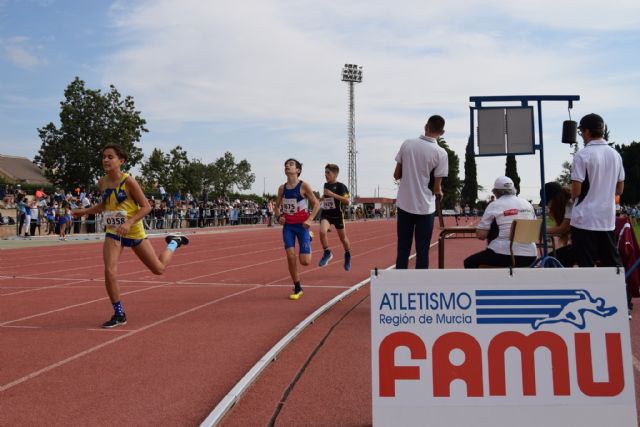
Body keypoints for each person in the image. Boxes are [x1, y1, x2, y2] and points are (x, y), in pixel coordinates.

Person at [72, 143, 189, 328]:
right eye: (104, 157)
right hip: (113, 231)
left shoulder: (129, 182)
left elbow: (146, 207)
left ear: (121, 161)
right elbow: (105, 205)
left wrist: (129, 223)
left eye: (110, 157)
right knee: (109, 271)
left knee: (158, 269)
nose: (106, 160)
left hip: (133, 231)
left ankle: (174, 242)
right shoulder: (102, 182)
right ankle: (119, 314)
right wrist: (84, 211)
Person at [393, 114, 449, 269]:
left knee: (403, 249)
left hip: (405, 204)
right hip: (426, 208)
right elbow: (437, 188)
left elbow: (396, 175)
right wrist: (439, 192)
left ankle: (399, 285)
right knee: (422, 250)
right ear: (442, 132)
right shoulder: (441, 153)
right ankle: (420, 286)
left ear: (426, 126)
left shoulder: (407, 144)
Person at [570, 113, 625, 268]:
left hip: (584, 219)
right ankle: (621, 292)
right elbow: (619, 189)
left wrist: (571, 196)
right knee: (612, 263)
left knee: (586, 264)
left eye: (581, 132)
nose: (581, 136)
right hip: (606, 219)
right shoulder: (615, 155)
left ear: (587, 131)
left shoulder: (582, 155)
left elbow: (576, 191)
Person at [464, 176, 537, 268]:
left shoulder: (494, 205)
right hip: (530, 255)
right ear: (514, 189)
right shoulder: (527, 204)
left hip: (505, 253)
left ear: (496, 192)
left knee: (470, 262)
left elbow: (481, 235)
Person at [274, 159, 320, 300]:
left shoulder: (303, 186)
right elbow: (276, 207)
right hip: (288, 226)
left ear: (298, 170)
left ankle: (309, 237)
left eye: (291, 164)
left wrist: (309, 219)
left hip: (302, 226)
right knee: (290, 256)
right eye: (286, 165)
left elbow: (316, 204)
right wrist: (278, 216)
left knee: (305, 261)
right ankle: (298, 287)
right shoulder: (282, 188)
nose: (287, 166)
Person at [318, 164, 352, 270]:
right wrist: (322, 198)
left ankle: (347, 255)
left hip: (338, 215)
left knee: (343, 238)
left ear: (335, 174)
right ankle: (327, 252)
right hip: (327, 214)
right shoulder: (325, 185)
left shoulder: (341, 186)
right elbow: (327, 197)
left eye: (328, 172)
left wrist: (332, 194)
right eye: (325, 172)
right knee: (322, 232)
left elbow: (347, 201)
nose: (325, 175)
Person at [542, 181, 577, 267]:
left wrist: (541, 230)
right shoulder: (567, 204)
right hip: (579, 245)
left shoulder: (570, 204)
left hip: (584, 246)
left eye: (548, 203)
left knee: (550, 260)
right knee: (554, 257)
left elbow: (563, 229)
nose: (548, 207)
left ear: (554, 199)